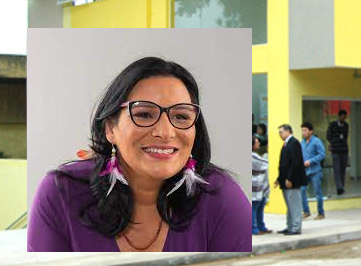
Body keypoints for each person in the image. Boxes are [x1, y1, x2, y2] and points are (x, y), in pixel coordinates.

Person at [27, 57, 251, 252]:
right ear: (110, 128)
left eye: (181, 116)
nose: (165, 132)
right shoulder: (61, 193)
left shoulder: (221, 198)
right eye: (144, 114)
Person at [276, 123, 307, 236]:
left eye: (281, 132)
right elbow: (283, 164)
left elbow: (295, 163)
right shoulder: (286, 144)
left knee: (294, 204)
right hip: (285, 180)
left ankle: (296, 227)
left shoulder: (294, 143)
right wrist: (279, 179)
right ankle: (290, 225)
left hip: (292, 181)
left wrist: (290, 178)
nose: (280, 134)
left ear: (288, 131)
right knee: (289, 205)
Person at [299, 122, 326, 220]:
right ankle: (306, 211)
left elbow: (322, 154)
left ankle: (321, 212)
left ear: (311, 131)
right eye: (302, 130)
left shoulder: (317, 141)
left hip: (315, 171)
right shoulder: (302, 142)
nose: (303, 132)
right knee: (302, 190)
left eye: (305, 130)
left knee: (317, 192)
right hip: (305, 171)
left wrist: (311, 161)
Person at [251, 134, 272, 235]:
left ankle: (261, 226)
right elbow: (265, 163)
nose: (258, 143)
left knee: (260, 207)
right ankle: (254, 228)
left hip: (261, 186)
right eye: (256, 142)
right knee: (254, 208)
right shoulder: (252, 156)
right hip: (255, 187)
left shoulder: (255, 154)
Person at [326, 109, 350, 196]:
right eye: (343, 117)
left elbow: (345, 136)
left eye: (345, 118)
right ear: (339, 116)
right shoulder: (332, 125)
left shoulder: (346, 125)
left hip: (344, 149)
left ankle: (342, 186)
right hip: (336, 149)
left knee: (343, 169)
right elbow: (328, 136)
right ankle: (339, 187)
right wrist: (334, 142)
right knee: (336, 169)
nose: (344, 119)